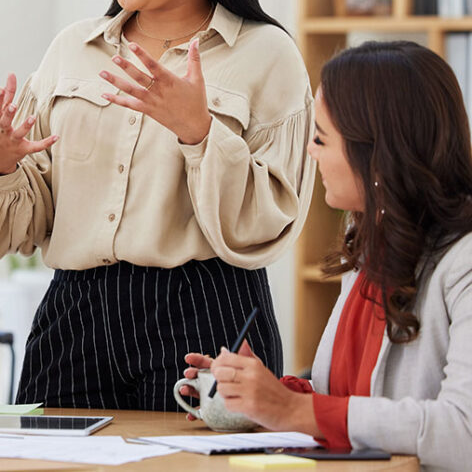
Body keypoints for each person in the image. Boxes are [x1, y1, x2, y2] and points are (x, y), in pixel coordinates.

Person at [0, 0, 315, 410]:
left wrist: (199, 133)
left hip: (205, 312)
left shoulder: (266, 55)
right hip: (75, 316)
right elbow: (10, 232)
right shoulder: (73, 48)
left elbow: (267, 223)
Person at [185, 41, 472, 471]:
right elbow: (350, 404)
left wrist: (293, 411)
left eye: (320, 137)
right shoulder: (371, 241)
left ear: (376, 154)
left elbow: (461, 432)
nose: (310, 151)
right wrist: (262, 397)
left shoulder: (462, 261)